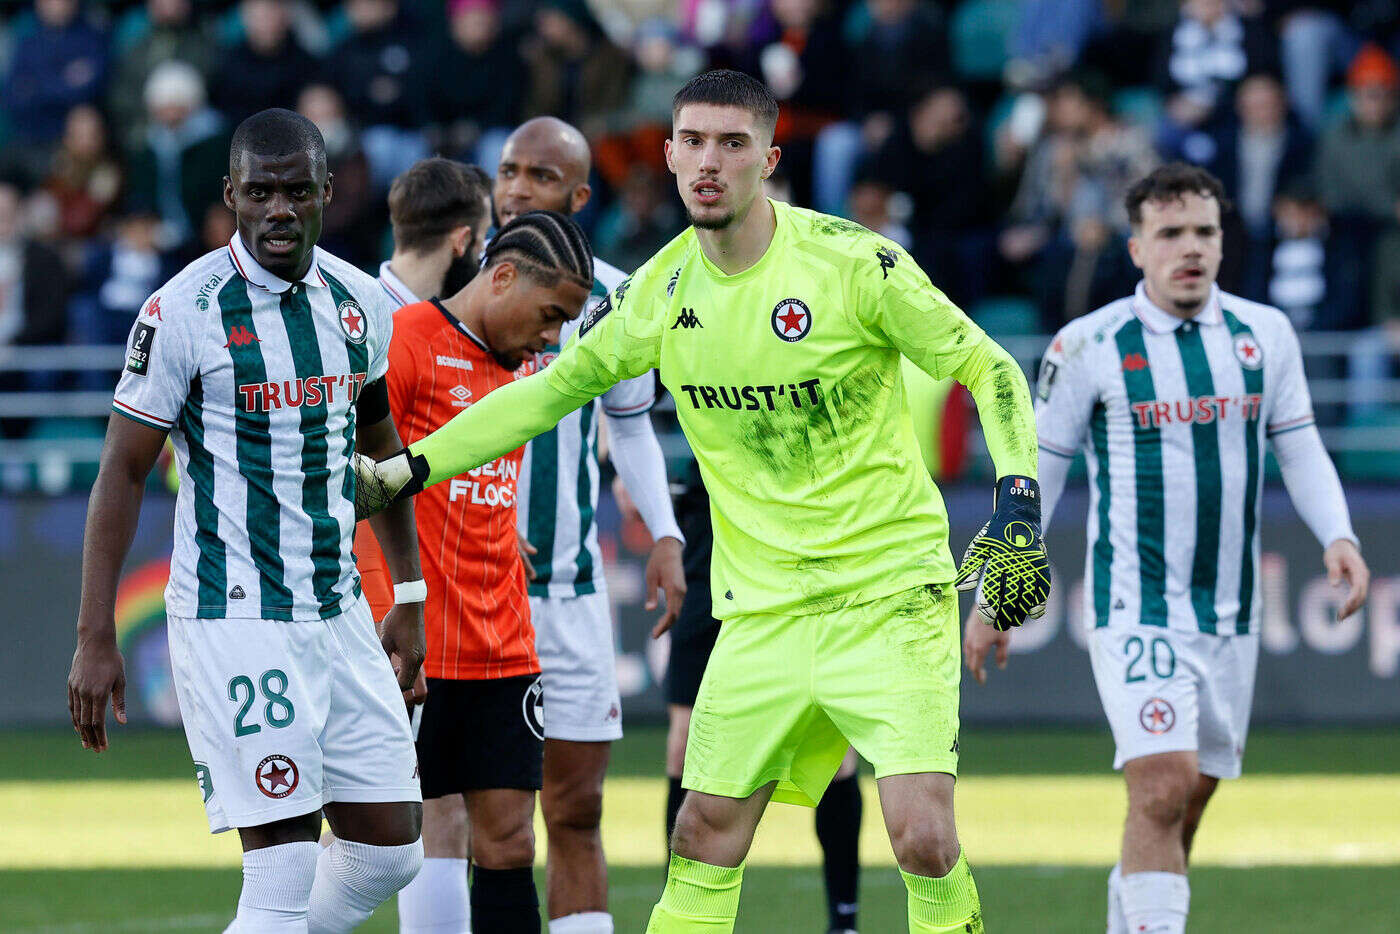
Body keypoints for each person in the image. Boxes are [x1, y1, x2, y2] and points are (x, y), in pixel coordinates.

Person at [357, 69, 1051, 934]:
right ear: (670, 154)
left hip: (887, 597)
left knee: (921, 837)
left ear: (768, 157)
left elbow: (990, 367)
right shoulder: (658, 290)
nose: (709, 163)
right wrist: (408, 469)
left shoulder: (852, 263)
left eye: (732, 143)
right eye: (692, 142)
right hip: (761, 611)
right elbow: (550, 390)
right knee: (702, 833)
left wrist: (1016, 499)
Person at [967, 163, 1371, 934]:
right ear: (1136, 248)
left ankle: (1133, 909)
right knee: (1161, 786)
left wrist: (1340, 536)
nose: (1190, 249)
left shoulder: (1266, 333)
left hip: (1232, 615)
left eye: (1205, 233)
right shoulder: (1087, 345)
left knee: (1186, 798)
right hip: (1135, 608)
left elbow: (1301, 445)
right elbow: (1037, 478)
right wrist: (999, 593)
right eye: (1171, 234)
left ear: (1223, 242)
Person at [66, 108, 428, 933]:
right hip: (235, 617)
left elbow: (383, 451)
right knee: (285, 865)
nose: (279, 210)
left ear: (328, 193)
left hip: (336, 612)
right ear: (230, 195)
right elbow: (121, 474)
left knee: (390, 850)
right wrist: (95, 634)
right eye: (259, 192)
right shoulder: (182, 310)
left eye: (297, 191)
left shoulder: (361, 304)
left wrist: (406, 587)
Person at [358, 210, 597, 934]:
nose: (553, 336)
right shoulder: (406, 343)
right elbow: (363, 480)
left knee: (511, 842)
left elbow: (484, 485)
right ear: (501, 276)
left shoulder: (526, 369)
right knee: (380, 846)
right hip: (414, 642)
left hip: (502, 646)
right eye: (550, 313)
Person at [494, 115, 686, 934]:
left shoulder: (611, 298)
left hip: (568, 596)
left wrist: (667, 533)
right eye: (508, 170)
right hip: (473, 594)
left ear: (578, 195)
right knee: (480, 822)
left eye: (539, 176)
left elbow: (632, 424)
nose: (516, 188)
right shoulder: (465, 286)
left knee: (576, 809)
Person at [665, 464, 864, 934]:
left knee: (836, 751)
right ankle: (679, 903)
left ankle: (844, 919)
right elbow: (628, 418)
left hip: (804, 556)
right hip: (712, 550)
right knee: (685, 744)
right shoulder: (686, 388)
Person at [374, 157, 492, 311]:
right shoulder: (375, 321)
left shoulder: (359, 307)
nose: (483, 250)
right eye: (483, 236)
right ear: (462, 241)